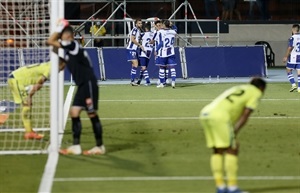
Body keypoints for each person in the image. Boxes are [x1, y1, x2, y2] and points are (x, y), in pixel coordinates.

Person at [47, 19, 105, 155]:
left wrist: (60, 27)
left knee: (91, 114)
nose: (61, 39)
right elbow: (62, 58)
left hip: (88, 84)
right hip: (82, 85)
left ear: (67, 36)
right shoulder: (72, 50)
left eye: (62, 36)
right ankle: (76, 146)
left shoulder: (73, 45)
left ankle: (100, 146)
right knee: (74, 112)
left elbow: (50, 41)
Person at [199, 77, 267, 193]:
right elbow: (246, 115)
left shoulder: (238, 88)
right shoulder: (256, 92)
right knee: (232, 149)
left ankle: (220, 187)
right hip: (219, 117)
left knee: (218, 150)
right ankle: (232, 187)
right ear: (261, 88)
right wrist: (235, 131)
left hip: (205, 113)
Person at [7, 54, 65, 140]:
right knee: (27, 104)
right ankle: (29, 132)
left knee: (27, 105)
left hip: (15, 78)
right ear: (59, 64)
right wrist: (30, 95)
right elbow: (38, 84)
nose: (62, 70)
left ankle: (29, 131)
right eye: (62, 67)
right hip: (17, 80)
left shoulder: (49, 64)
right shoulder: (50, 69)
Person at [156, 20, 177, 88]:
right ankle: (173, 82)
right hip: (171, 51)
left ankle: (163, 83)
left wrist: (156, 50)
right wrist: (172, 24)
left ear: (164, 25)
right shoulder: (173, 31)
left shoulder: (161, 32)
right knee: (172, 67)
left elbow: (161, 43)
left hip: (163, 52)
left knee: (162, 67)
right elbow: (175, 28)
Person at [126, 18, 145, 86]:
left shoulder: (138, 30)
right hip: (131, 49)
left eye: (141, 23)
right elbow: (132, 39)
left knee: (134, 65)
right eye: (139, 23)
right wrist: (140, 45)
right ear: (136, 24)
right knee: (135, 64)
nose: (140, 24)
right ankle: (132, 81)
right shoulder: (135, 29)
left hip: (134, 49)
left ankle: (132, 80)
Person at [283, 24, 300, 93]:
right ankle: (299, 88)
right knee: (299, 73)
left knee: (288, 70)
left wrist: (286, 56)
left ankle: (293, 84)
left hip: (293, 57)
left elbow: (290, 47)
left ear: (293, 30)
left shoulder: (292, 38)